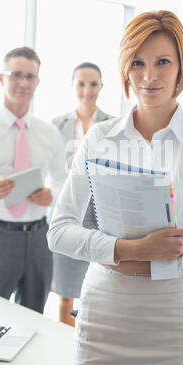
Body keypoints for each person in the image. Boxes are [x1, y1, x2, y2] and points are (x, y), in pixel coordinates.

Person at [47, 11, 183, 365]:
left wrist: (150, 263)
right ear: (124, 69)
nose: (149, 76)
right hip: (104, 313)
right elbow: (58, 231)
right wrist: (129, 250)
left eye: (163, 62)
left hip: (172, 319)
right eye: (138, 62)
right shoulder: (99, 138)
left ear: (182, 67)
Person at [0, 46, 66, 313]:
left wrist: (52, 195)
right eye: (16, 75)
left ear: (37, 82)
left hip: (38, 239)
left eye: (30, 77)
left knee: (35, 318)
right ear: (2, 79)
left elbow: (61, 180)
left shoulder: (49, 133)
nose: (23, 82)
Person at [52, 62, 113, 327]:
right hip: (70, 213)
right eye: (81, 83)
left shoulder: (113, 125)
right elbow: (50, 168)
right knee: (65, 293)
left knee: (97, 290)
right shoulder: (58, 124)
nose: (87, 90)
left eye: (93, 84)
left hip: (101, 217)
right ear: (73, 85)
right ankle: (67, 344)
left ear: (101, 87)